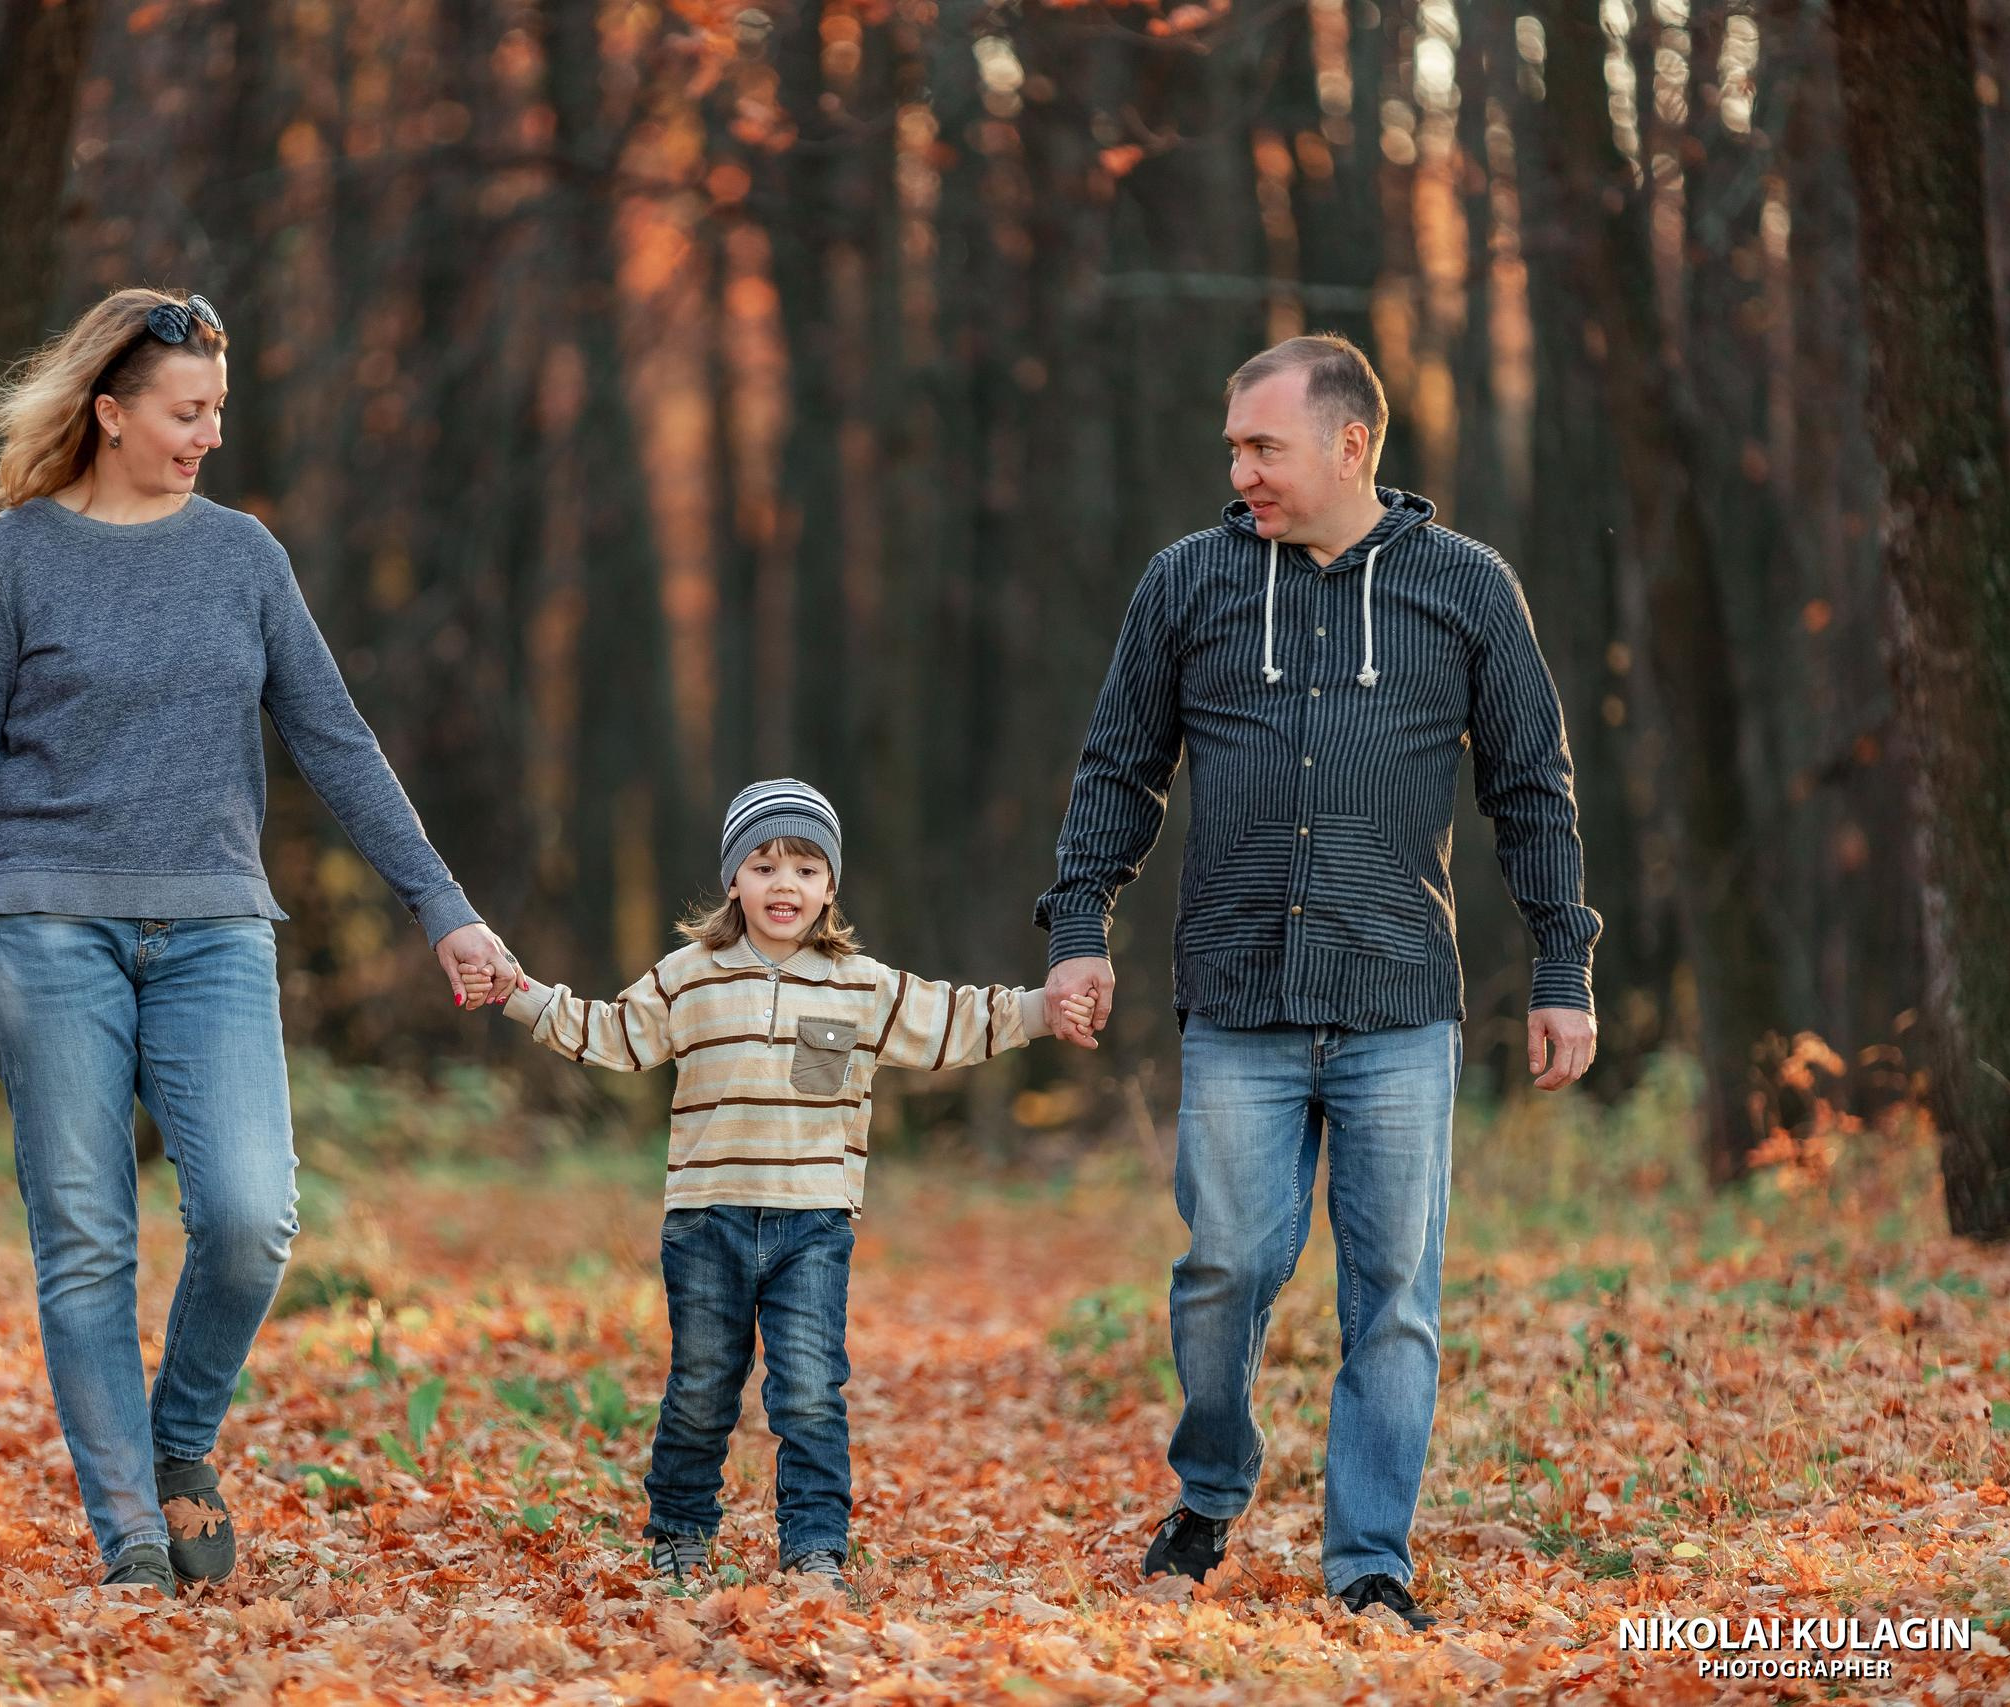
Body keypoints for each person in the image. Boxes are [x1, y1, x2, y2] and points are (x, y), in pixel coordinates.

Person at [0, 287, 517, 1594]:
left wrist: (443, 904)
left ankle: (177, 1434)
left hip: (215, 928)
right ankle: (130, 1526)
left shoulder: (243, 558)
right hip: (43, 923)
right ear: (110, 412)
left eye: (218, 412)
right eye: (187, 413)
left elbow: (336, 739)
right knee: (87, 1234)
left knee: (249, 1214)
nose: (209, 437)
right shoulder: (6, 559)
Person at [1035, 334, 1602, 1631]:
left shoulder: (1466, 587)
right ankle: (1210, 1487)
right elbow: (1119, 767)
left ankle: (1368, 1561)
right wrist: (1079, 928)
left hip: (1398, 1000)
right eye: (1233, 447)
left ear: (1351, 445)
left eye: (1263, 447)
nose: (1239, 471)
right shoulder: (1188, 582)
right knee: (1224, 1270)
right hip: (1237, 998)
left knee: (1393, 1300)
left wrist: (1562, 964)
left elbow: (1532, 787)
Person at [482, 780, 1091, 1586]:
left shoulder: (857, 983)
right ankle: (680, 1529)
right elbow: (612, 1033)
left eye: (806, 869)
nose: (785, 885)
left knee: (809, 1390)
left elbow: (951, 1021)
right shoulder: (690, 975)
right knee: (703, 1386)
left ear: (830, 886)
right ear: (734, 878)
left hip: (812, 1223)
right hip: (707, 1220)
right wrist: (518, 993)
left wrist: (1045, 1008)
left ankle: (814, 1544)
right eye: (764, 866)